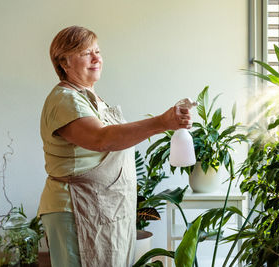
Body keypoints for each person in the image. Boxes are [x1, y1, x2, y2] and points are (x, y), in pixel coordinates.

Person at [37, 25, 192, 267]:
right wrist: (162, 122)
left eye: (97, 51)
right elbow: (102, 139)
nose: (96, 58)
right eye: (85, 53)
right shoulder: (64, 99)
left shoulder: (90, 97)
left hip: (101, 209)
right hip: (77, 209)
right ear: (64, 62)